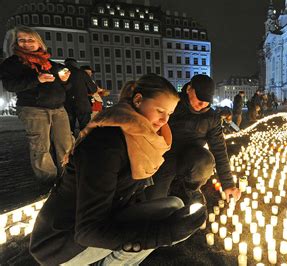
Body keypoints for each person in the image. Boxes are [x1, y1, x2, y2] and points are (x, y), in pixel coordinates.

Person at [29, 74, 207, 265]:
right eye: (160, 110)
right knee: (164, 221)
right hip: (60, 242)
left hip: (104, 219)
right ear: (138, 100)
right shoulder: (106, 144)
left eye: (169, 114)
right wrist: (164, 233)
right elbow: (87, 231)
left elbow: (128, 195)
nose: (164, 120)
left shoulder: (142, 140)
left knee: (172, 207)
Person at [145, 74, 241, 205]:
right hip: (165, 157)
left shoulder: (211, 118)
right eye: (199, 98)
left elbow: (219, 149)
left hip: (193, 158)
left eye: (207, 101)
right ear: (189, 89)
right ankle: (169, 188)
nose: (202, 104)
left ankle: (190, 189)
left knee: (205, 161)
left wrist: (228, 184)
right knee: (156, 202)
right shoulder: (172, 105)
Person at [0, 26, 73, 183]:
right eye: (22, 40)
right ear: (16, 43)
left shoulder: (49, 63)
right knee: (40, 147)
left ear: (39, 42)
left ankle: (68, 179)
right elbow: (10, 85)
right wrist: (37, 80)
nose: (26, 43)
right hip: (33, 109)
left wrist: (65, 81)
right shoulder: (12, 63)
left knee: (66, 144)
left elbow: (66, 87)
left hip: (58, 108)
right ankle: (49, 181)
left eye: (30, 40)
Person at [64, 58, 98, 134]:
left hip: (67, 105)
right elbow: (93, 89)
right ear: (76, 64)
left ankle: (71, 144)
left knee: (69, 130)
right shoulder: (82, 73)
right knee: (85, 129)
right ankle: (85, 144)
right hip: (82, 104)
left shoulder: (61, 73)